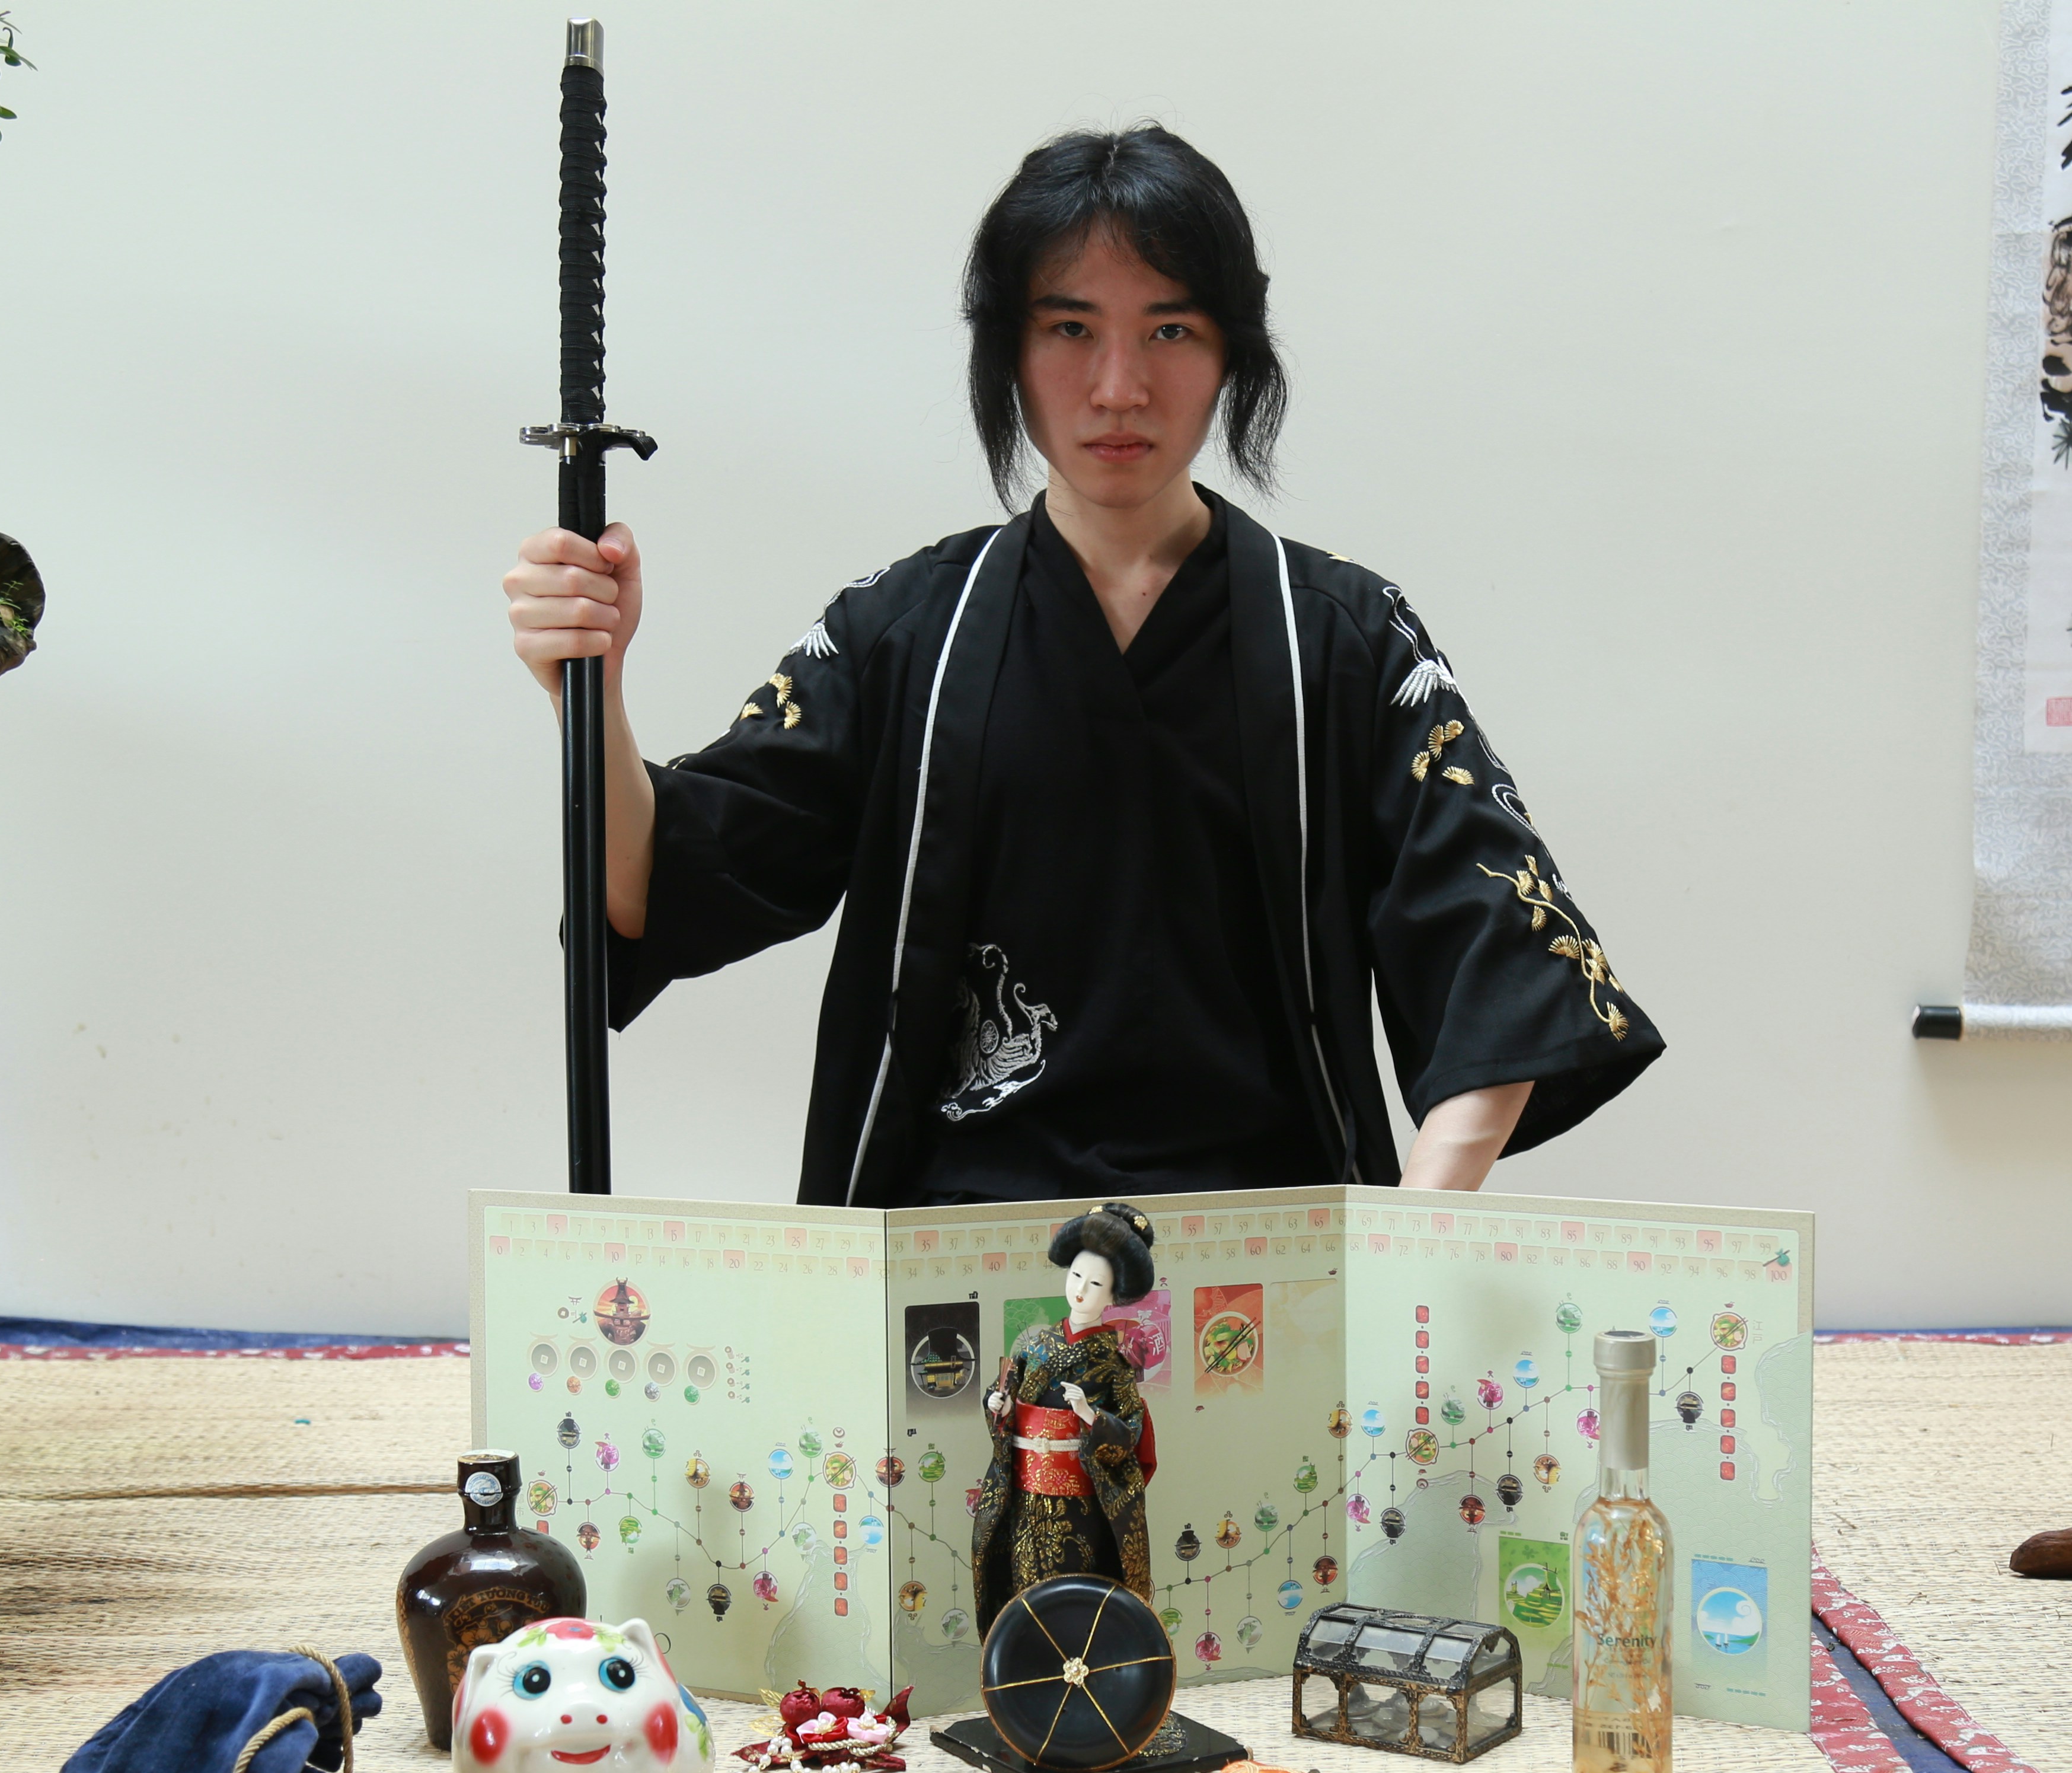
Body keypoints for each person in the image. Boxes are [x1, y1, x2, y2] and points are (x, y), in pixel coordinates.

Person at [502, 126, 1661, 1207]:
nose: (1118, 387)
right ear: (1008, 351)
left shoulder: (1346, 635)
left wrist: (1409, 1242)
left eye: (1169, 331)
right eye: (1069, 330)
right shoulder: (903, 629)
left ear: (1233, 351)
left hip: (1270, 1258)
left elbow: (1501, 947)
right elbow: (657, 885)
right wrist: (587, 692)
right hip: (947, 1264)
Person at [972, 1203, 1158, 1619]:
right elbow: (1007, 1391)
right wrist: (998, 1405)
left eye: (1096, 1283)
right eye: (1075, 1276)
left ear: (1114, 1295)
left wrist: (1090, 1414)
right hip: (1027, 1495)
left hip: (1081, 1502)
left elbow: (1131, 1428)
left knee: (1076, 1594)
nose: (1081, 1290)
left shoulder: (1115, 1361)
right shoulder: (1037, 1345)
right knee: (1025, 1586)